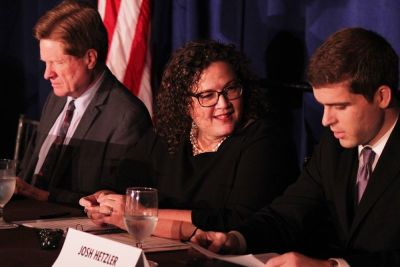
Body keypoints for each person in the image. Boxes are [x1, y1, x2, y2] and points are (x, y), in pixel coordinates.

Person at [193, 27, 400, 267]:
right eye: (323, 105)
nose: (326, 120)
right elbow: (290, 213)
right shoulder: (335, 145)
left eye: (340, 106)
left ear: (382, 97)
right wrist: (235, 239)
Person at [80, 40, 299, 240]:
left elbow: (238, 222)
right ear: (185, 103)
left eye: (231, 89)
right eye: (207, 95)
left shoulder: (265, 140)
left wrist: (139, 214)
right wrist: (105, 201)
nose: (223, 104)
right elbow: (121, 185)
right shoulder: (169, 134)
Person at [15, 0, 152, 205]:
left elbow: (116, 202)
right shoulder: (56, 99)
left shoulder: (126, 117)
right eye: (45, 63)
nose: (47, 74)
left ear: (89, 58)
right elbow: (27, 175)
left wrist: (42, 196)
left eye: (58, 62)